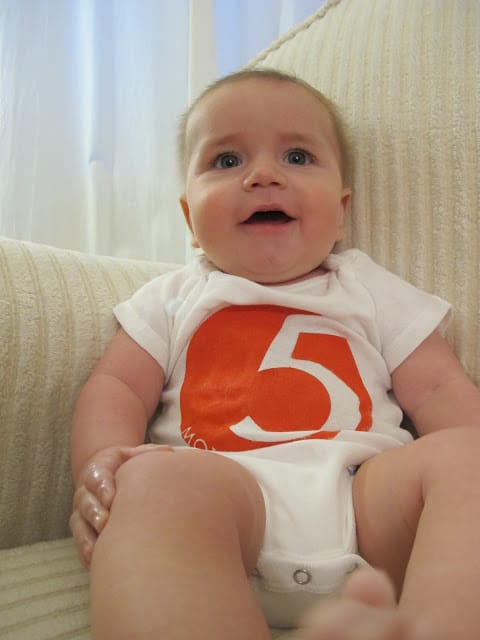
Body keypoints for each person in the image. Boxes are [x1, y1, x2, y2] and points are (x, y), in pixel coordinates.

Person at [70, 68, 480, 640]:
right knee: (150, 482)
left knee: (467, 457)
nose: (264, 175)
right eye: (227, 160)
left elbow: (437, 387)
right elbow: (116, 386)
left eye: (297, 157)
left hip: (368, 503)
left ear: (341, 211)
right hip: (221, 510)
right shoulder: (173, 297)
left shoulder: (367, 287)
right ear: (190, 219)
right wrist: (102, 468)